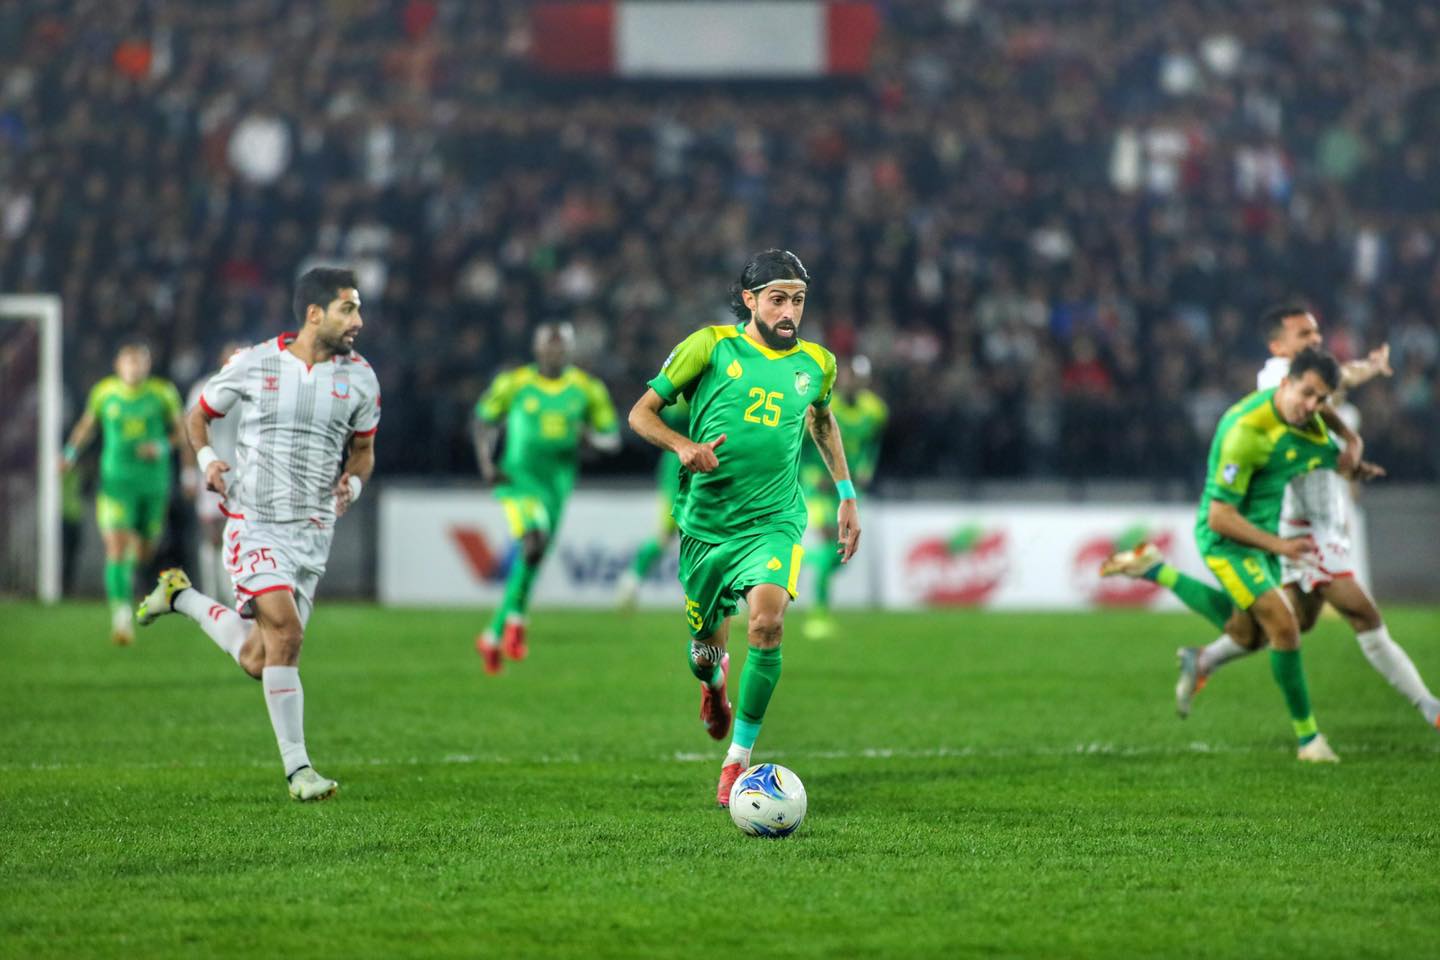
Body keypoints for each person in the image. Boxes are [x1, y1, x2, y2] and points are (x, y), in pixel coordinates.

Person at [1106, 306, 1438, 731]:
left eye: (1316, 333)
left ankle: (1199, 651)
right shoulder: (1278, 381)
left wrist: (1369, 375)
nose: (1315, 340)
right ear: (1278, 347)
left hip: (1326, 523)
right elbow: (1336, 385)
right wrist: (1354, 409)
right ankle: (1428, 707)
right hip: (1301, 526)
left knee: (1272, 627)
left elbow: (1338, 381)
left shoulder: (1314, 382)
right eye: (1304, 335)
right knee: (1364, 616)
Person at [134, 267, 380, 802]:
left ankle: (180, 597)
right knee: (287, 634)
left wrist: (354, 485)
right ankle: (300, 771)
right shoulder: (256, 363)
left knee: (258, 658)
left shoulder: (362, 379)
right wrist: (207, 460)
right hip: (255, 523)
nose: (358, 320)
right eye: (348, 308)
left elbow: (363, 452)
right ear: (315, 314)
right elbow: (196, 416)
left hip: (312, 536)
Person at [627, 249, 862, 806]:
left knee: (767, 624)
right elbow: (640, 414)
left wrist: (846, 493)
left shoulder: (818, 364)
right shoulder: (709, 346)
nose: (789, 311)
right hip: (707, 525)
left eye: (798, 300)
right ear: (750, 300)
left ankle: (738, 760)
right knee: (704, 653)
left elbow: (822, 421)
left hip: (775, 519)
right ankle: (714, 688)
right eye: (778, 299)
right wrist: (683, 447)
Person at [1118, 347, 1381, 761]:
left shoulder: (1307, 422)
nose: (1312, 406)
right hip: (1227, 541)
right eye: (1306, 394)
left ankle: (1159, 576)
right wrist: (1281, 546)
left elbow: (1328, 453)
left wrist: (1353, 452)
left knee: (1249, 635)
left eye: (1320, 400)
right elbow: (1220, 517)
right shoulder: (1246, 432)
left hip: (1265, 536)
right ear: (1285, 383)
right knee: (1285, 627)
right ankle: (1309, 741)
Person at [471, 321, 619, 674]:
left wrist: (591, 439)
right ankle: (517, 621)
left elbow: (611, 438)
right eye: (548, 344)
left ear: (570, 349)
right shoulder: (514, 383)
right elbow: (483, 421)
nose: (554, 351)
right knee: (534, 540)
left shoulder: (587, 389)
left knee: (533, 557)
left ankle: (493, 635)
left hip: (558, 484)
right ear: (536, 348)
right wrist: (487, 464)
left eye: (560, 345)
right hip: (518, 479)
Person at [60, 340, 188, 645]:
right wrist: (69, 453)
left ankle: (130, 576)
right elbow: (87, 425)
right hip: (116, 484)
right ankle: (121, 617)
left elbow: (182, 431)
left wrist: (161, 447)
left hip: (153, 485)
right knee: (116, 547)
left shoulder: (162, 393)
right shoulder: (104, 392)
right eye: (129, 362)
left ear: (147, 365)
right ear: (118, 365)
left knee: (143, 552)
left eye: (139, 362)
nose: (134, 368)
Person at [799, 354, 887, 639]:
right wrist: (812, 475)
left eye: (858, 377)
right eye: (848, 375)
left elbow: (872, 446)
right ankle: (818, 614)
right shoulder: (823, 405)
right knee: (832, 543)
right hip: (819, 487)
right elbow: (801, 445)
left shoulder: (875, 411)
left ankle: (795, 560)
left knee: (840, 553)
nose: (852, 382)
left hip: (848, 489)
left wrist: (865, 470)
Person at [614, 397, 689, 610]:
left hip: (710, 463)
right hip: (678, 464)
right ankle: (631, 580)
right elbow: (670, 416)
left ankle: (734, 595)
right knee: (666, 532)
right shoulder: (681, 388)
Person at [185, 341, 244, 600]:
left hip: (244, 474)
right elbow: (190, 431)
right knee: (212, 534)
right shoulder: (204, 388)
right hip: (210, 469)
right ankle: (211, 593)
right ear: (222, 358)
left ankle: (233, 595)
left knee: (238, 536)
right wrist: (188, 474)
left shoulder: (256, 390)